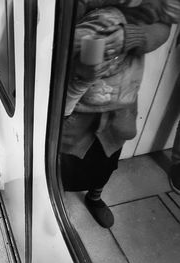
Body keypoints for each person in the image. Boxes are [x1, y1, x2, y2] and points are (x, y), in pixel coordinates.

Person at [60, 1, 172, 228]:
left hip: (122, 100)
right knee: (65, 162)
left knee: (107, 158)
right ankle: (56, 200)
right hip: (77, 104)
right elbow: (55, 37)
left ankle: (95, 195)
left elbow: (164, 24)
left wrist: (132, 36)